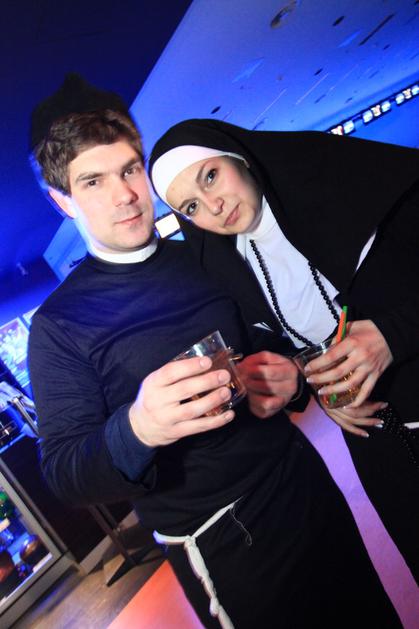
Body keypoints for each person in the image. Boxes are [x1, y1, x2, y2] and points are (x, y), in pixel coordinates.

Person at [28, 74, 401, 629]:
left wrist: (290, 375)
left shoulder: (204, 253)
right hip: (222, 536)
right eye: (93, 181)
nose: (124, 195)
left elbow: (270, 340)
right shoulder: (60, 324)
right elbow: (64, 472)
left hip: (299, 478)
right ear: (62, 201)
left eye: (129, 169)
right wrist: (139, 427)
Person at [149, 117, 419, 583]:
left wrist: (394, 335)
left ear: (237, 156)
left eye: (210, 176)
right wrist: (310, 380)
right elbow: (296, 347)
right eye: (192, 206)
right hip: (374, 434)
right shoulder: (234, 267)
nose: (214, 206)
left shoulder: (349, 186)